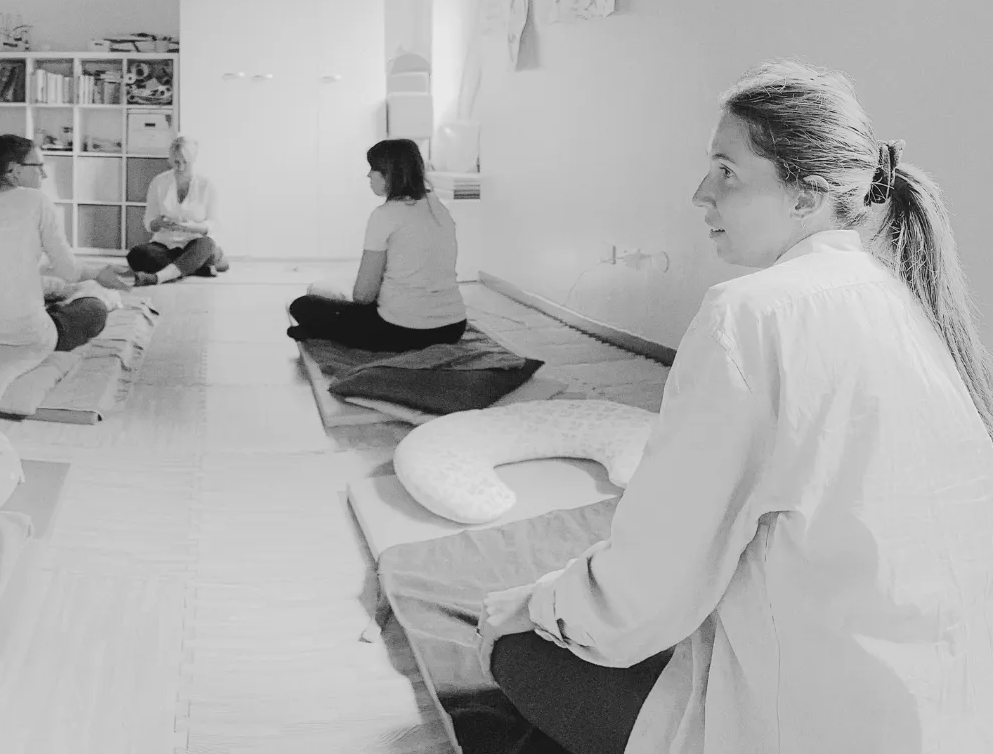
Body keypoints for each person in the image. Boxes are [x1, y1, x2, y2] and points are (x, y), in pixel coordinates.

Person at [478, 61, 993, 754]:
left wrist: (536, 604)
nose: (701, 193)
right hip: (952, 714)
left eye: (727, 171)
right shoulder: (907, 299)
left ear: (806, 194)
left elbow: (641, 599)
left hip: (813, 727)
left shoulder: (750, 314)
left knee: (514, 647)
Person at [0, 132, 113, 353]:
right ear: (16, 170)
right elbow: (69, 271)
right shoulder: (37, 201)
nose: (44, 174)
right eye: (39, 166)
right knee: (95, 308)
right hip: (26, 339)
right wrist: (98, 273)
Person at [286, 139, 466, 351]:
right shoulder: (440, 209)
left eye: (374, 169)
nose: (369, 175)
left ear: (389, 174)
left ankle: (323, 331)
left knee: (303, 305)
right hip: (453, 327)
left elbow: (363, 296)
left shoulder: (384, 215)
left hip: (401, 329)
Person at [128, 135, 226, 285]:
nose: (180, 167)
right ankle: (197, 266)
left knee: (206, 245)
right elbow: (149, 222)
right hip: (166, 246)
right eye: (176, 162)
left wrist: (192, 227)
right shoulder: (158, 182)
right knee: (136, 255)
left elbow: (214, 224)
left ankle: (158, 277)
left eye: (185, 162)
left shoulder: (206, 185)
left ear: (193, 159)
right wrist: (159, 223)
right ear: (170, 160)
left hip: (195, 243)